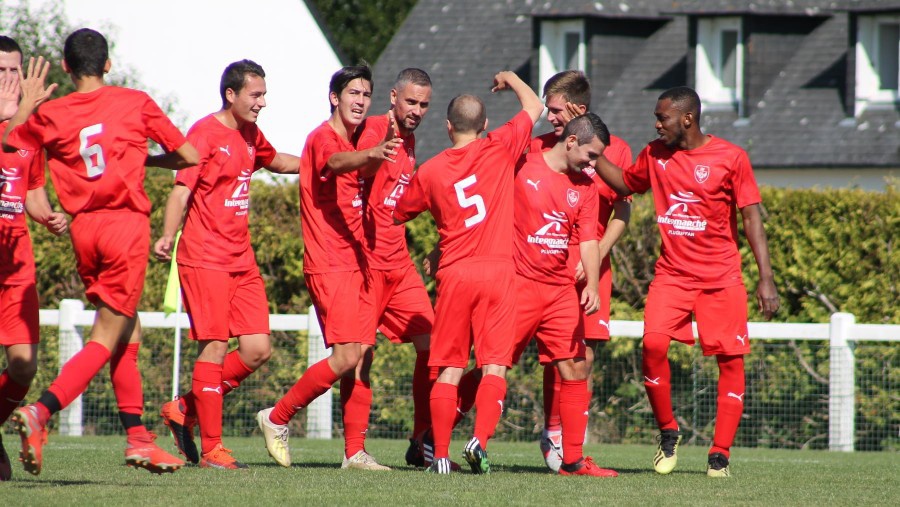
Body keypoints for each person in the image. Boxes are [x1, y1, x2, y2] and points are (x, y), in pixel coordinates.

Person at [3, 28, 199, 476]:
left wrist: (29, 104)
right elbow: (187, 154)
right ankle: (42, 412)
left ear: (67, 68)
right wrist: (140, 157)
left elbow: (10, 142)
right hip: (124, 225)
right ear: (107, 65)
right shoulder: (135, 103)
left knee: (128, 331)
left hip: (83, 230)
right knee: (106, 337)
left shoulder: (53, 113)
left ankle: (139, 440)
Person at [592, 86, 779, 477]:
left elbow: (751, 218)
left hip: (721, 278)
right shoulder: (655, 154)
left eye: (663, 118)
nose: (657, 125)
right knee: (653, 344)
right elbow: (626, 183)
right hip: (673, 275)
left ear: (687, 119)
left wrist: (766, 278)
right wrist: (593, 153)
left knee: (730, 362)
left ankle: (720, 454)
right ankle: (667, 431)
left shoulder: (731, 157)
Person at [393, 70, 544, 474]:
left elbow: (397, 212)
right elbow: (535, 106)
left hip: (456, 274)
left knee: (449, 368)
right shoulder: (500, 146)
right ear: (485, 126)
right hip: (498, 272)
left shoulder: (431, 171)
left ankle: (439, 455)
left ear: (447, 127)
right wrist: (511, 78)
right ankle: (479, 440)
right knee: (494, 365)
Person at [153, 60, 299, 469]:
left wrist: (326, 163)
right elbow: (181, 191)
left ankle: (184, 408)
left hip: (241, 258)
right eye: (256, 94)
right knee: (214, 347)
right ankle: (213, 449)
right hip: (204, 257)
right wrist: (167, 234)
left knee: (256, 349)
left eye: (264, 94)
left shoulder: (250, 133)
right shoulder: (204, 133)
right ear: (231, 94)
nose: (263, 102)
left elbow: (279, 162)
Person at [257, 64, 400, 471]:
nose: (360, 101)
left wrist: (381, 149)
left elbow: (362, 167)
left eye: (365, 94)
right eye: (353, 93)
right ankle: (277, 416)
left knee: (361, 357)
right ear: (335, 98)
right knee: (344, 357)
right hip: (329, 264)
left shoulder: (359, 140)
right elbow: (337, 162)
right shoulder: (323, 138)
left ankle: (354, 453)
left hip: (356, 264)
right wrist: (371, 152)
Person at [530, 70, 632, 472]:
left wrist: (595, 258)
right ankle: (550, 432)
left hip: (590, 269)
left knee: (583, 358)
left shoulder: (614, 150)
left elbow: (623, 209)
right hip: (543, 267)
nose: (548, 118)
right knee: (531, 355)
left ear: (578, 109)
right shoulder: (539, 148)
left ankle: (565, 441)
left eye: (554, 110)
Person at [509, 112, 618, 477]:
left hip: (558, 290)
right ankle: (438, 442)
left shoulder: (585, 187)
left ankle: (572, 460)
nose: (594, 164)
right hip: (517, 284)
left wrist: (590, 283)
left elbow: (589, 238)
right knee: (490, 364)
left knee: (574, 367)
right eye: (591, 155)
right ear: (571, 141)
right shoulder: (521, 165)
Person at [354, 68, 439, 467]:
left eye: (424, 104)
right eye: (411, 102)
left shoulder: (411, 139)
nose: (417, 110)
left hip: (399, 260)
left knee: (433, 345)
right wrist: (378, 151)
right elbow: (361, 170)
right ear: (393, 97)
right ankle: (354, 450)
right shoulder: (374, 129)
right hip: (366, 260)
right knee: (358, 355)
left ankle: (422, 440)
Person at [0, 36, 68, 482]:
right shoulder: (17, 122)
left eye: (15, 71)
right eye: (1, 72)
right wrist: (19, 115)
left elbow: (30, 190)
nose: (10, 80)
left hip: (17, 263)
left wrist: (50, 217)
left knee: (25, 364)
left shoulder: (30, 128)